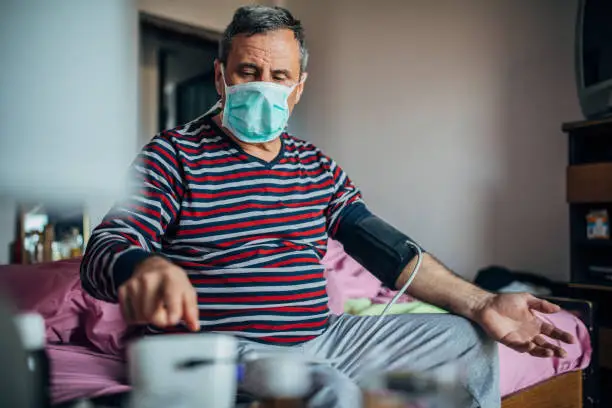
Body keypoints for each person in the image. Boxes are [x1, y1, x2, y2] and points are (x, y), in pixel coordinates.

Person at [80, 5, 574, 408]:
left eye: (278, 75)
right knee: (325, 387)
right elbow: (106, 246)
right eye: (248, 71)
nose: (262, 85)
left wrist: (484, 303)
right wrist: (139, 266)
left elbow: (386, 251)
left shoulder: (315, 166)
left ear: (298, 88)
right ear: (220, 77)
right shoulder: (173, 154)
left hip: (323, 335)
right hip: (220, 345)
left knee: (467, 341)